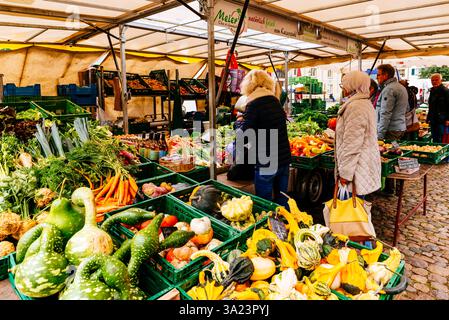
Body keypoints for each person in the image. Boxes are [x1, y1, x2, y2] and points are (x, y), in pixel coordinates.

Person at [237, 70, 291, 207]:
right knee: (282, 200)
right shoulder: (275, 101)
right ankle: (285, 225)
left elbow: (246, 134)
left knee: (264, 203)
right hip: (284, 158)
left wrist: (238, 125)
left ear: (248, 85)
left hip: (267, 160)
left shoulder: (254, 104)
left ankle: (268, 226)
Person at [335, 71, 381, 197]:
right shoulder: (364, 103)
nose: (343, 88)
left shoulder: (356, 107)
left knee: (348, 210)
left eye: (344, 84)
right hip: (359, 167)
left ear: (352, 85)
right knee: (355, 208)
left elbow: (352, 145)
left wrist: (345, 174)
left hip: (355, 170)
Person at [375, 64, 409, 140]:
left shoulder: (389, 89)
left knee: (389, 150)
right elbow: (407, 108)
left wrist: (380, 134)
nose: (377, 77)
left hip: (391, 130)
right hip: (399, 127)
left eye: (378, 75)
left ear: (385, 75)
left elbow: (385, 113)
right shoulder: (401, 87)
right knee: (395, 149)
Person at [427, 73, 449, 143]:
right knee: (434, 138)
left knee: (441, 139)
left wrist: (448, 119)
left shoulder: (445, 91)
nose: (434, 82)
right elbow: (430, 106)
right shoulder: (432, 91)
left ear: (441, 80)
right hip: (433, 120)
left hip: (442, 120)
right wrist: (428, 118)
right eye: (432, 80)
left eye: (436, 80)